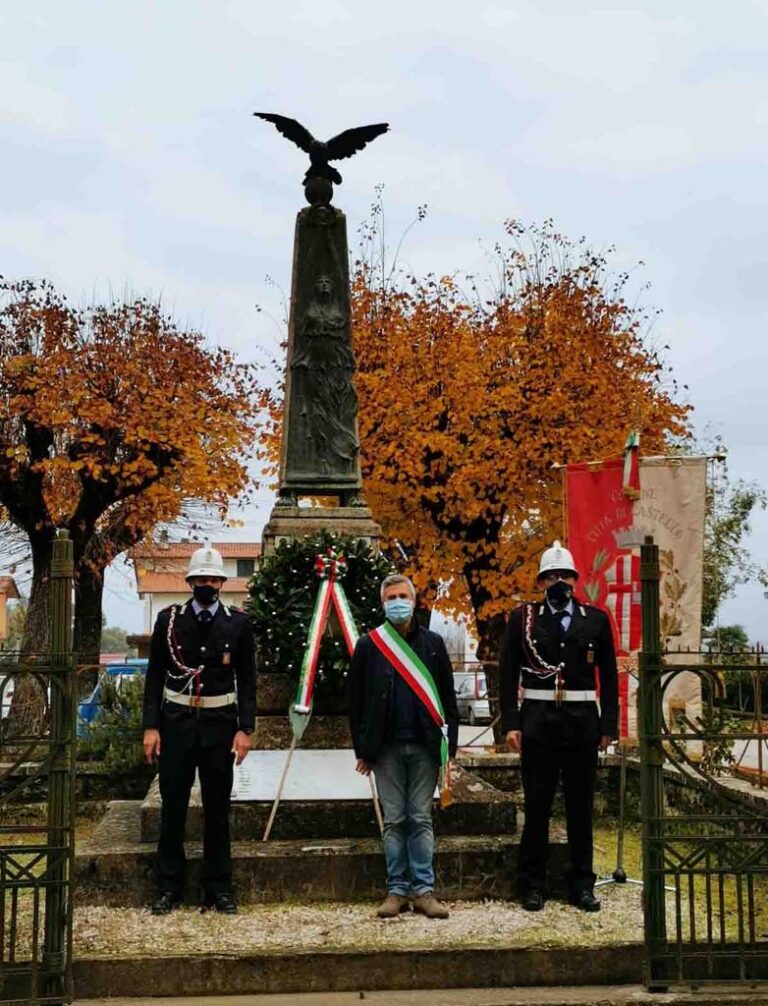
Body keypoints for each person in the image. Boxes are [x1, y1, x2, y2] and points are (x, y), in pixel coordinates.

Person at [500, 541, 618, 913]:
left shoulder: (595, 619)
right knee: (537, 807)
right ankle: (532, 884)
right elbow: (506, 673)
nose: (558, 581)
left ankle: (582, 884)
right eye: (551, 576)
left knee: (581, 809)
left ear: (575, 579)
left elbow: (610, 677)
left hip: (582, 727)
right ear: (541, 582)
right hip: (537, 726)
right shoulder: (523, 619)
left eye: (565, 575)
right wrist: (511, 723)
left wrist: (608, 725)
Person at [142, 545, 256, 915]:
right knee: (172, 806)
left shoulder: (237, 623)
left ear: (222, 582)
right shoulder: (168, 621)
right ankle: (169, 886)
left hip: (219, 728)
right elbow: (155, 676)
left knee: (218, 809)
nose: (206, 584)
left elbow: (248, 680)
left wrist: (245, 730)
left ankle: (218, 887)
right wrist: (150, 727)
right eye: (200, 579)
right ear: (190, 581)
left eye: (212, 579)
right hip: (176, 725)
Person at [348, 573, 459, 920]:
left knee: (421, 819)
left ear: (414, 601)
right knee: (395, 821)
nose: (398, 602)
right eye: (391, 596)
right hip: (387, 750)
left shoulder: (434, 644)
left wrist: (449, 749)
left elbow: (447, 699)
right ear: (383, 604)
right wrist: (363, 750)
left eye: (403, 596)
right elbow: (356, 702)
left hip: (426, 748)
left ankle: (424, 891)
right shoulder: (369, 645)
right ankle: (396, 890)